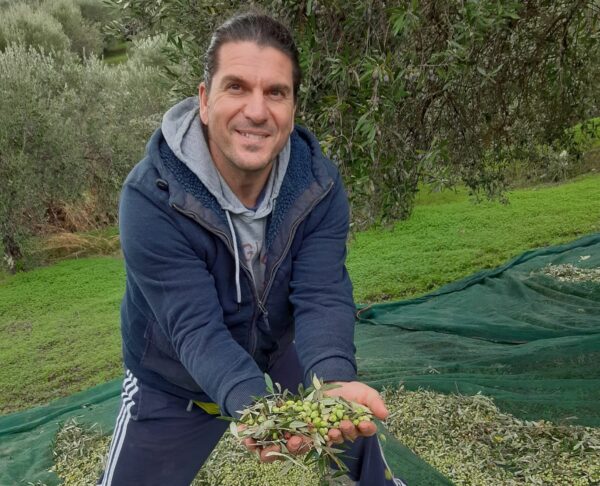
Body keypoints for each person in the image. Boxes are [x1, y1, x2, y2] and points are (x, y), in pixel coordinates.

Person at [98, 11, 405, 486]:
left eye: (275, 92)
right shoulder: (151, 196)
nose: (257, 111)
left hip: (278, 347)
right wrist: (255, 409)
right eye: (236, 86)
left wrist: (334, 380)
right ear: (204, 100)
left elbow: (322, 293)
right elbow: (194, 328)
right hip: (172, 378)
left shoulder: (318, 185)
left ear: (293, 108)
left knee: (348, 417)